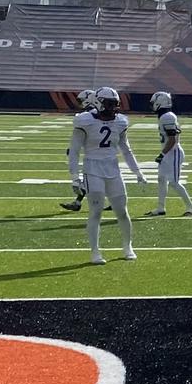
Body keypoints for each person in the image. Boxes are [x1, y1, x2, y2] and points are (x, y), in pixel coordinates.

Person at [68, 87, 145, 264]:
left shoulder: (120, 122)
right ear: (98, 102)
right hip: (92, 169)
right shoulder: (85, 121)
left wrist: (137, 171)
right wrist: (74, 176)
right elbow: (74, 150)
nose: (112, 108)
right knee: (95, 212)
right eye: (109, 104)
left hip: (113, 170)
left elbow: (125, 149)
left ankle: (128, 247)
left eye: (114, 104)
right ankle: (95, 252)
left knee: (122, 212)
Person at [146, 91, 192, 218]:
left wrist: (162, 154)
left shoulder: (167, 117)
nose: (152, 105)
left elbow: (172, 139)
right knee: (161, 179)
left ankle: (191, 207)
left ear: (160, 102)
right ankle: (160, 208)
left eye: (154, 102)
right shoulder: (166, 116)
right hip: (168, 152)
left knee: (174, 182)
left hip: (173, 153)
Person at [61, 90, 99, 212]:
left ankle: (79, 202)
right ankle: (77, 202)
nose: (80, 103)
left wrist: (74, 148)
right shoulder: (94, 114)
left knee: (96, 180)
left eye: (81, 100)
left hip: (99, 153)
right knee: (94, 180)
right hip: (99, 151)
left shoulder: (89, 116)